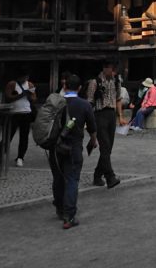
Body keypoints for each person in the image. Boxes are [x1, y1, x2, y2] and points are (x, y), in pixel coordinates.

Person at [51, 74, 97, 229]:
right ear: (79, 88)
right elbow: (92, 127)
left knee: (58, 178)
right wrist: (93, 140)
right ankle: (69, 216)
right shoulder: (84, 105)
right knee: (72, 179)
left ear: (64, 87)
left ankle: (59, 209)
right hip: (74, 146)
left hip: (56, 146)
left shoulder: (57, 102)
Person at [85, 60, 121, 188]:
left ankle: (97, 175)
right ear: (105, 68)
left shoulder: (116, 81)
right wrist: (89, 123)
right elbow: (89, 102)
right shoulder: (95, 82)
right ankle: (110, 176)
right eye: (112, 69)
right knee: (105, 146)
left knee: (108, 148)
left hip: (111, 114)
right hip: (99, 115)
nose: (114, 72)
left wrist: (120, 116)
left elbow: (118, 99)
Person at [5, 71, 36, 167]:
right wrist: (21, 95)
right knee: (8, 135)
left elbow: (34, 99)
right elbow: (8, 97)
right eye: (23, 77)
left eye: (26, 77)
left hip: (26, 112)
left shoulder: (30, 84)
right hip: (14, 113)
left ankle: (20, 157)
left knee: (24, 137)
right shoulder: (12, 84)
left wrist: (29, 95)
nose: (25, 79)